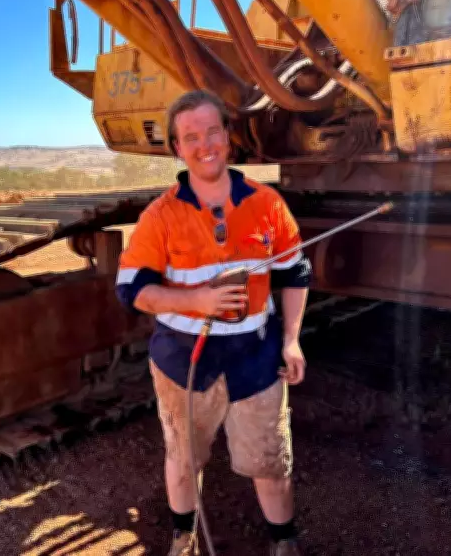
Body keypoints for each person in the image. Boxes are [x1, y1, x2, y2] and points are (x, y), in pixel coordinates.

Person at [114, 89, 311, 556]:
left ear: (227, 136)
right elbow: (132, 290)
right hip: (183, 360)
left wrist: (291, 340)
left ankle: (284, 543)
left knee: (269, 462)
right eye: (191, 137)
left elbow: (295, 273)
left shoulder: (266, 204)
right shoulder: (160, 216)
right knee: (183, 458)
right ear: (177, 148)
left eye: (212, 132)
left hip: (255, 358)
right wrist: (197, 300)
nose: (204, 145)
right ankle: (184, 538)